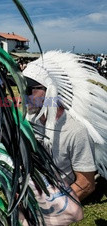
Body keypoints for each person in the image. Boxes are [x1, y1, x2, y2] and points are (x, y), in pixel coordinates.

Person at [23, 51, 98, 202]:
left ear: (51, 91)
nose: (24, 95)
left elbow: (86, 183)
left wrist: (55, 208)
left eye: (29, 89)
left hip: (58, 197)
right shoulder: (30, 119)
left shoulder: (75, 131)